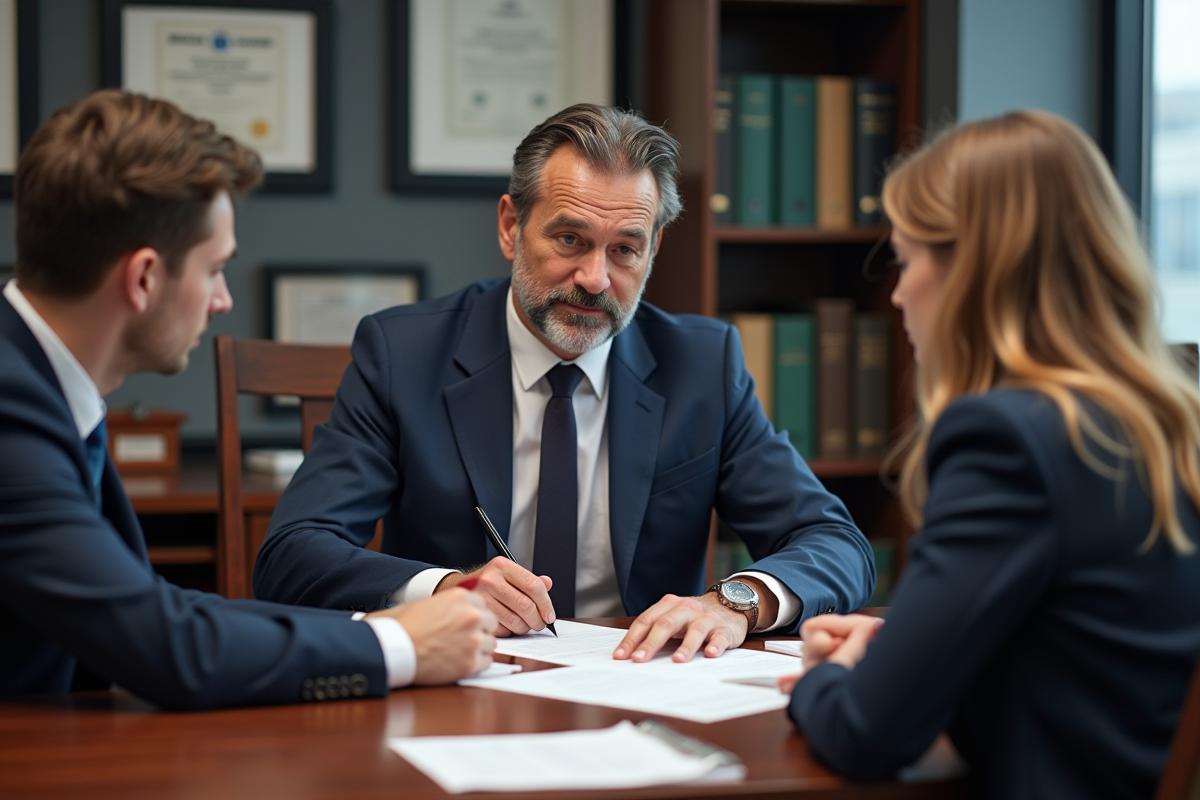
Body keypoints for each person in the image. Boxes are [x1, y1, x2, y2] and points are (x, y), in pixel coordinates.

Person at [255, 104, 875, 662]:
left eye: (625, 250)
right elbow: (294, 552)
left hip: (642, 686)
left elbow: (834, 541)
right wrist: (444, 588)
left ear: (654, 249)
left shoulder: (702, 364)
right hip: (463, 677)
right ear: (509, 226)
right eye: (570, 239)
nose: (596, 278)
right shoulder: (403, 353)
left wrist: (735, 602)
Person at [0, 90, 497, 709]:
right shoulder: (12, 412)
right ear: (145, 278)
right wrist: (397, 647)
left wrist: (378, 630)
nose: (223, 300)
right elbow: (166, 647)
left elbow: (148, 604)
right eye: (214, 270)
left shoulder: (34, 380)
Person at [784, 110, 1200, 797]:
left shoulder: (1007, 439)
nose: (895, 293)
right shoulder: (1160, 423)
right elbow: (1083, 651)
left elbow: (867, 734)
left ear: (972, 272)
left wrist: (821, 681)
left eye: (907, 260)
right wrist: (902, 651)